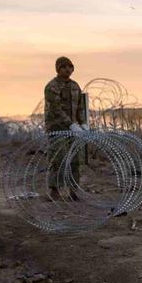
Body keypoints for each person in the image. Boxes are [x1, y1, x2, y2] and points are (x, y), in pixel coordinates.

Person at [43, 57, 85, 201]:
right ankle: (54, 189)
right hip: (57, 128)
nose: (68, 69)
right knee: (58, 158)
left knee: (74, 159)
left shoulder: (75, 86)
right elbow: (55, 109)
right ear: (58, 69)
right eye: (64, 67)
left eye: (70, 66)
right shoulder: (52, 86)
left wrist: (83, 123)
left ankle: (74, 190)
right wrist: (70, 124)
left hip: (72, 129)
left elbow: (80, 106)